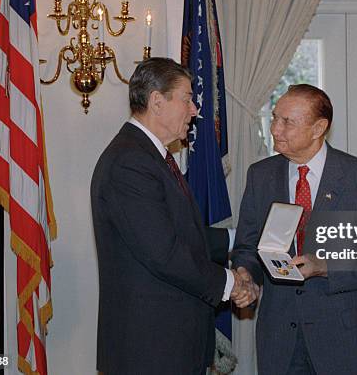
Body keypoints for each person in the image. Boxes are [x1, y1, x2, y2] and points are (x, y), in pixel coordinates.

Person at [91, 58, 257, 374]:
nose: (194, 110)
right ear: (157, 101)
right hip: (149, 350)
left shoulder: (149, 157)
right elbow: (164, 253)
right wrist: (230, 282)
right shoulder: (131, 163)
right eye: (186, 98)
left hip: (167, 345)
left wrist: (242, 238)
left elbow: (182, 234)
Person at [232, 84, 357, 375]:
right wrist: (246, 275)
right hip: (281, 341)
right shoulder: (261, 176)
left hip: (347, 342)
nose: (275, 129)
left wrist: (325, 266)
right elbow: (248, 247)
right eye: (274, 118)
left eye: (287, 122)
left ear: (319, 128)